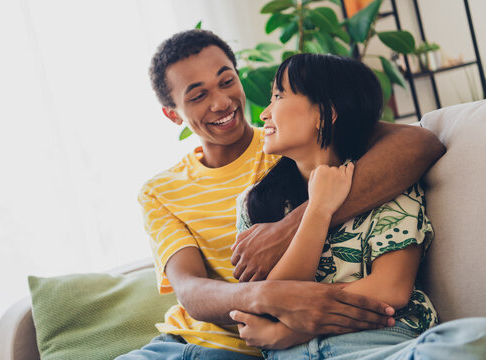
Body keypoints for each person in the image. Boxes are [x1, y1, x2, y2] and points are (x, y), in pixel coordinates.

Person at [115, 29, 446, 359]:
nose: (221, 102)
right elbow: (190, 290)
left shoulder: (291, 146)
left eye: (226, 81)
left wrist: (287, 228)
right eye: (198, 96)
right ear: (173, 114)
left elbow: (417, 143)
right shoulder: (164, 191)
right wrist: (270, 301)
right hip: (188, 342)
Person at [229, 53, 486, 359]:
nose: (264, 114)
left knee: (470, 336)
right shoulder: (253, 204)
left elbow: (391, 288)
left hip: (378, 347)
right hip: (293, 355)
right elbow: (267, 303)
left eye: (278, 96)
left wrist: (293, 327)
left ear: (325, 113)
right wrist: (317, 210)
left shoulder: (388, 181)